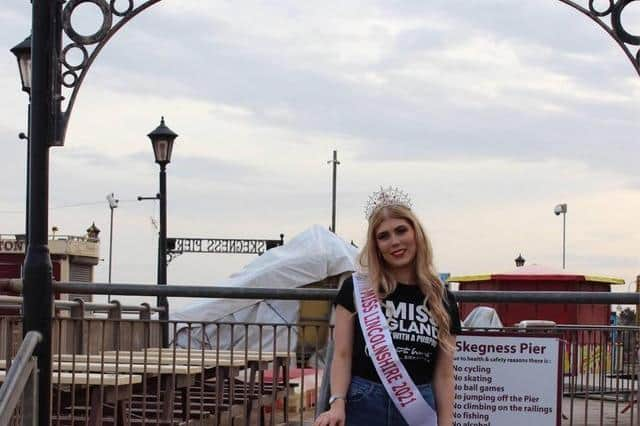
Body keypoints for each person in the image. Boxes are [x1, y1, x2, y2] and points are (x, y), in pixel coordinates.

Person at [314, 187, 461, 426]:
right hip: (364, 401)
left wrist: (446, 423)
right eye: (383, 236)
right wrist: (337, 403)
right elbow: (341, 355)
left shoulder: (441, 298)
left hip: (419, 407)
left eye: (401, 230)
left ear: (416, 233)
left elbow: (444, 374)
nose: (395, 242)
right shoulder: (356, 289)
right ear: (375, 245)